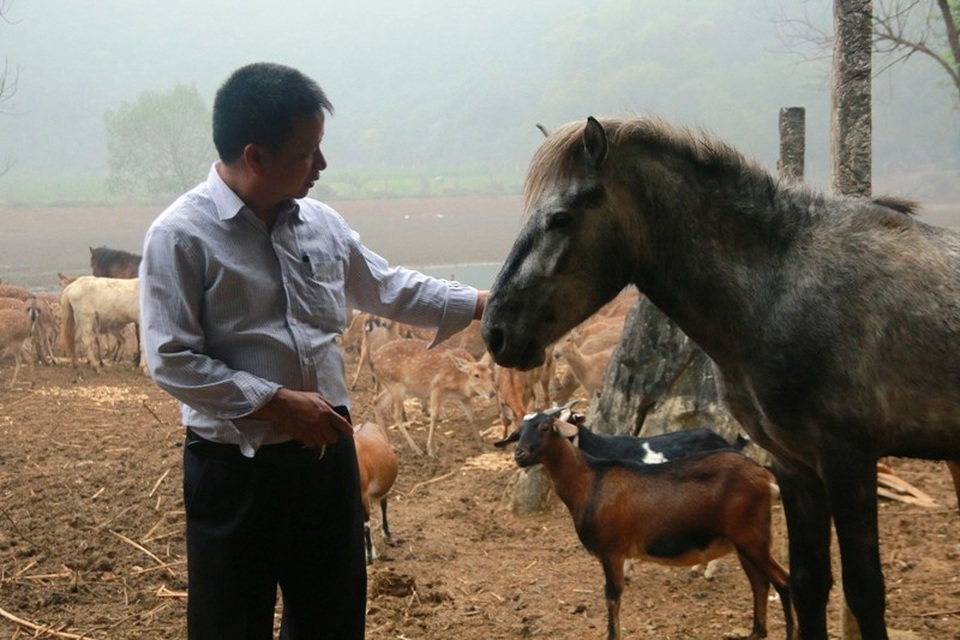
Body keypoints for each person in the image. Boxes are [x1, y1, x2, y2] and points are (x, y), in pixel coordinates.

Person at [139, 62, 487, 640]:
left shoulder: (322, 224)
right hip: (235, 469)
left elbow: (388, 287)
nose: (321, 165)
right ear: (255, 157)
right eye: (306, 153)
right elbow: (171, 358)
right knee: (230, 626)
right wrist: (276, 403)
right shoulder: (180, 237)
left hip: (327, 461)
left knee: (332, 620)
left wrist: (483, 303)